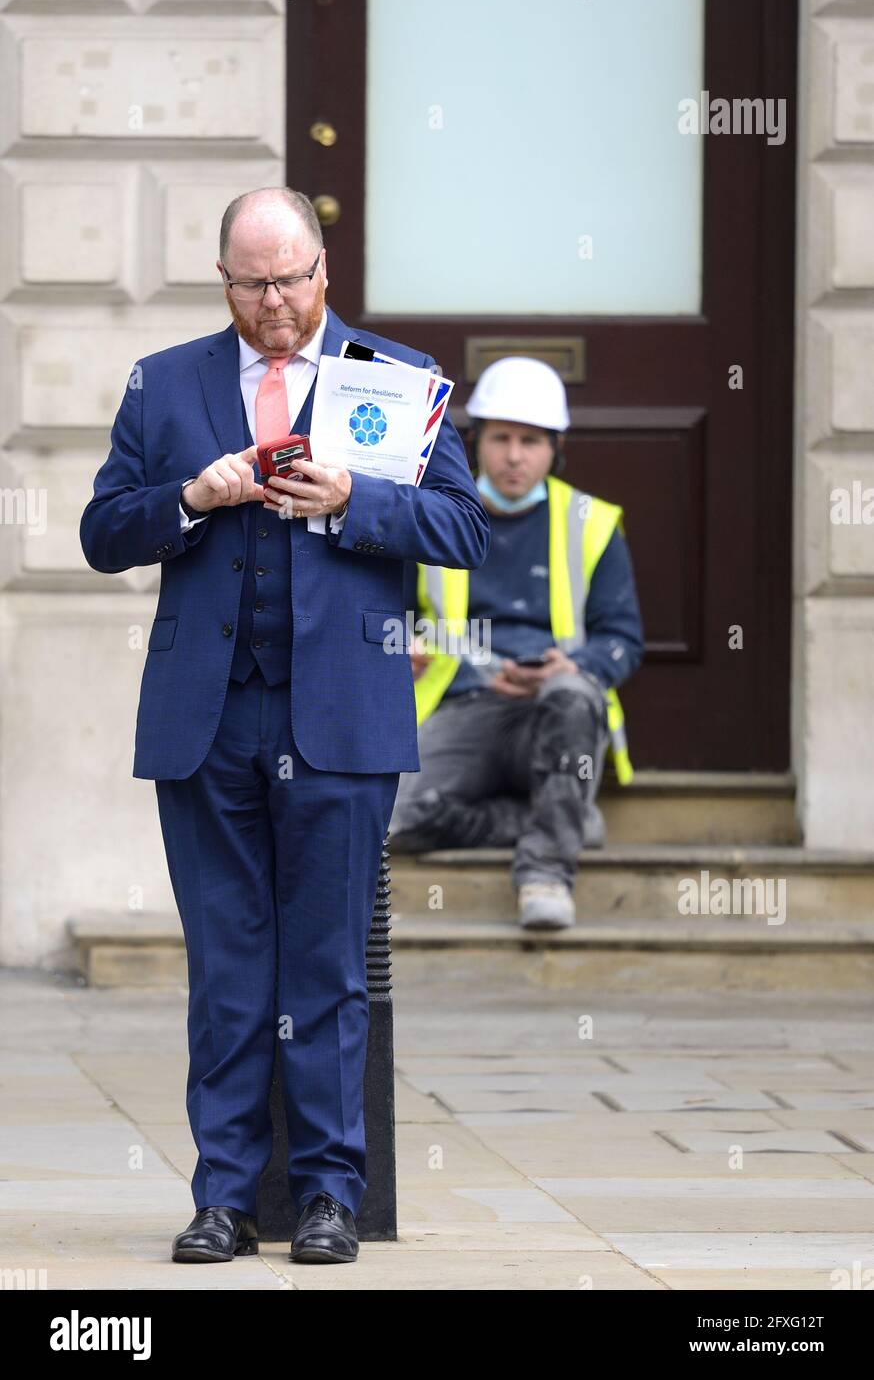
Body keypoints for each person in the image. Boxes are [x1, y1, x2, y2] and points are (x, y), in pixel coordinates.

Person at [79, 187, 489, 1265]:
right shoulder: (165, 383)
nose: (274, 302)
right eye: (252, 283)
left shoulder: (398, 381)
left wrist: (354, 497)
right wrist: (188, 498)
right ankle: (221, 1196)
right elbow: (100, 531)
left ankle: (326, 1195)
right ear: (225, 281)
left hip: (343, 714)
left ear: (323, 270)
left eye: (291, 279)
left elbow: (462, 527)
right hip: (206, 719)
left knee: (325, 968)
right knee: (225, 967)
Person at [388, 356, 644, 930]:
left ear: (555, 448)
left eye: (531, 441)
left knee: (575, 694)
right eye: (501, 438)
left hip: (552, 712)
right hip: (462, 705)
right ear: (476, 441)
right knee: (389, 820)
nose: (514, 456)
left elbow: (623, 639)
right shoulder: (430, 515)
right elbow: (388, 618)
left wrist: (570, 666)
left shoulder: (592, 522)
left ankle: (546, 873)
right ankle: (557, 818)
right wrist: (398, 646)